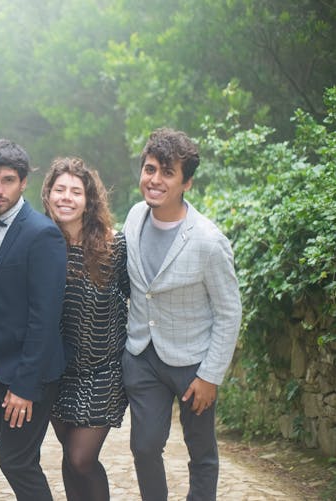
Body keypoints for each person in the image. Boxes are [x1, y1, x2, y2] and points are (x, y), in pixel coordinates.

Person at [121, 128, 242, 500]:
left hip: (194, 364)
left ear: (186, 182)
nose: (155, 180)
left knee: (201, 451)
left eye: (167, 172)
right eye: (150, 169)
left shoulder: (208, 240)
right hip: (142, 355)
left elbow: (228, 311)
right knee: (143, 447)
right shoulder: (134, 216)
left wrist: (210, 376)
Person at [0, 138, 67, 501]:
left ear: (24, 181)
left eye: (8, 180)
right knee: (18, 461)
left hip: (30, 375)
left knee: (16, 463)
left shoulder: (42, 233)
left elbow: (45, 318)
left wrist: (25, 387)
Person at [41, 157, 130, 501]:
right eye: (59, 189)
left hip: (104, 370)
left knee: (81, 459)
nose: (66, 197)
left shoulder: (114, 246)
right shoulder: (41, 245)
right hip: (58, 372)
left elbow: (138, 295)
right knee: (70, 456)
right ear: (47, 195)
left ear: (88, 200)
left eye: (75, 191)